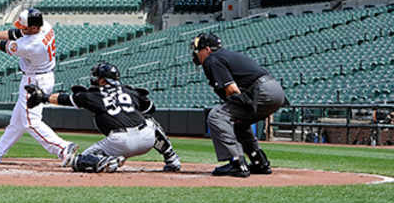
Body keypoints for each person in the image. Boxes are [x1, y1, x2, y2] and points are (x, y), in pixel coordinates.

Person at [26, 62, 181, 173]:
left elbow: (65, 99)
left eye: (97, 76)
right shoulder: (130, 91)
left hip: (119, 142)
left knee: (79, 160)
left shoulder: (94, 94)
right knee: (150, 123)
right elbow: (150, 108)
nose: (94, 79)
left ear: (103, 80)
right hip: (146, 140)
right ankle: (172, 159)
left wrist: (43, 97)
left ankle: (109, 162)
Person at [0, 8, 78, 165]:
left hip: (34, 82)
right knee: (17, 122)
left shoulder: (31, 45)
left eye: (25, 27)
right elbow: (13, 33)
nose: (22, 29)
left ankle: (63, 147)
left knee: (30, 122)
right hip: (43, 75)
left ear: (34, 27)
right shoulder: (44, 26)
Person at [191, 33, 287, 177]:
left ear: (208, 50)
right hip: (275, 91)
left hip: (262, 91)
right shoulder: (225, 55)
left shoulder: (212, 59)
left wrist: (240, 103)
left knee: (217, 116)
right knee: (239, 123)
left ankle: (236, 163)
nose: (196, 54)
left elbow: (232, 90)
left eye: (198, 50)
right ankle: (259, 162)